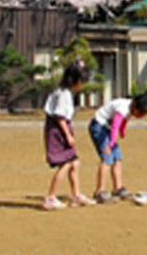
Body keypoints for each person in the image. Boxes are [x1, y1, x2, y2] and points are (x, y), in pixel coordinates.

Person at [41, 63, 94, 210]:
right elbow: (60, 117)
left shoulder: (63, 92)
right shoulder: (63, 94)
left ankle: (76, 195)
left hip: (60, 128)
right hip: (58, 131)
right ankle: (51, 197)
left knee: (75, 162)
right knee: (66, 163)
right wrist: (68, 135)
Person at [88, 92, 147, 203]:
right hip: (99, 127)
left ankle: (117, 188)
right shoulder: (123, 108)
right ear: (135, 107)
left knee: (117, 158)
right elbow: (115, 124)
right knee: (107, 158)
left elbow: (124, 120)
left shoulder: (129, 108)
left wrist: (123, 131)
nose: (141, 116)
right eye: (141, 113)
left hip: (107, 130)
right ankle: (99, 192)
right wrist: (113, 142)